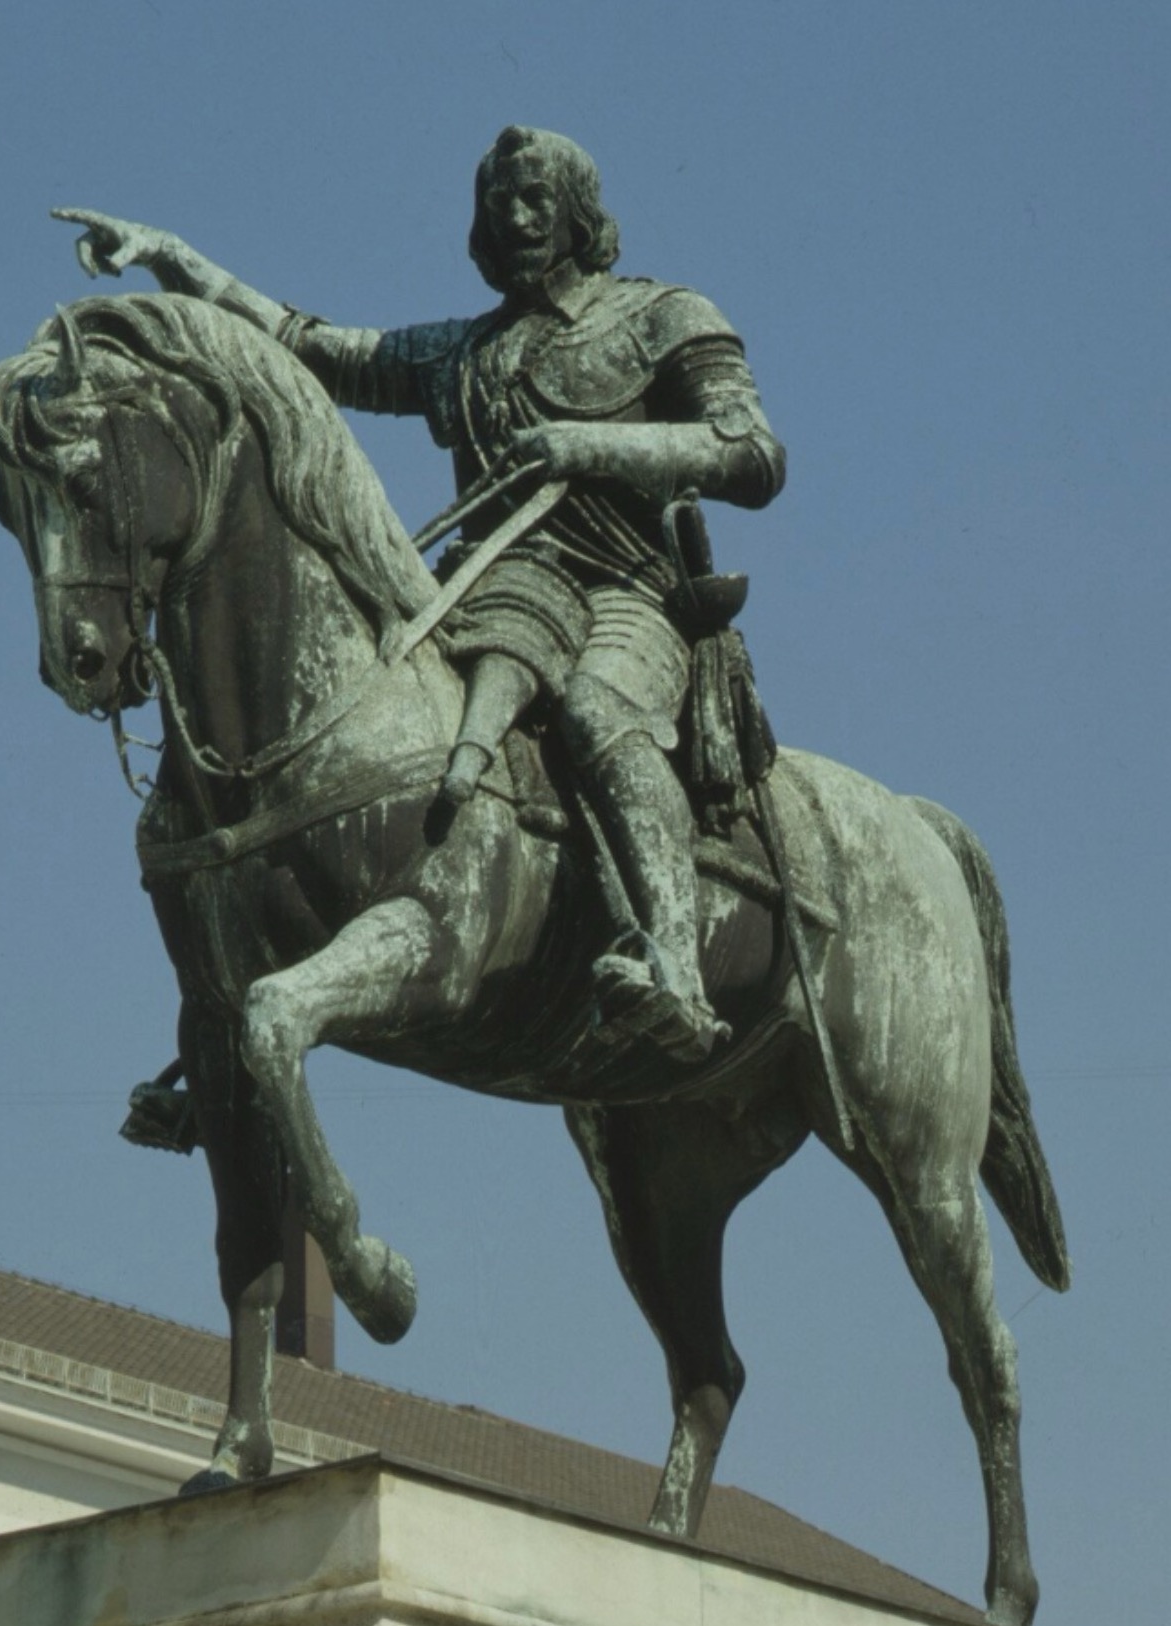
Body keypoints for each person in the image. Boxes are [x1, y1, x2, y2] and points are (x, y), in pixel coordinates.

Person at [57, 126, 785, 1061]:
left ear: (577, 210)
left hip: (626, 596)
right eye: (498, 203)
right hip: (491, 598)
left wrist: (587, 445)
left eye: (534, 198)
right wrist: (171, 256)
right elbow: (303, 344)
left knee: (600, 706)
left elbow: (753, 454)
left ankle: (674, 970)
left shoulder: (662, 315)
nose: (516, 217)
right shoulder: (461, 354)